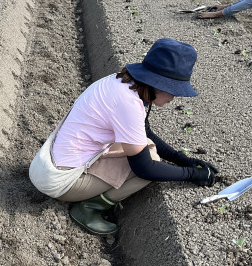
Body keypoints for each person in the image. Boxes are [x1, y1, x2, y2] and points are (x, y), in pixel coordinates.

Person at [29, 39, 219, 236]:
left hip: (46, 166)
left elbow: (145, 133)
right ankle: (89, 208)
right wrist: (191, 174)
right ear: (160, 85)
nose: (174, 98)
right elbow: (145, 169)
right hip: (60, 182)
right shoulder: (128, 104)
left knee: (145, 146)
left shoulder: (121, 82)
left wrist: (184, 160)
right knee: (151, 160)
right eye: (175, 91)